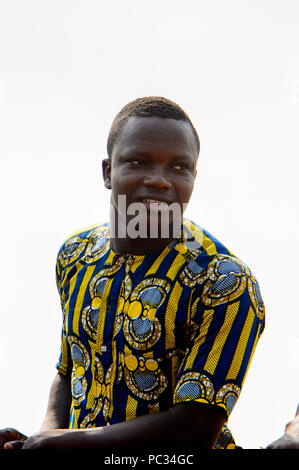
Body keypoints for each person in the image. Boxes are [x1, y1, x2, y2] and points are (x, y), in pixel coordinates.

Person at [0, 96, 265, 450]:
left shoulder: (224, 282)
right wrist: (41, 438)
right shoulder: (75, 256)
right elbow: (70, 368)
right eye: (139, 162)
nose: (159, 180)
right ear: (108, 171)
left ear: (194, 177)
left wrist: (62, 444)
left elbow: (195, 428)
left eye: (178, 168)